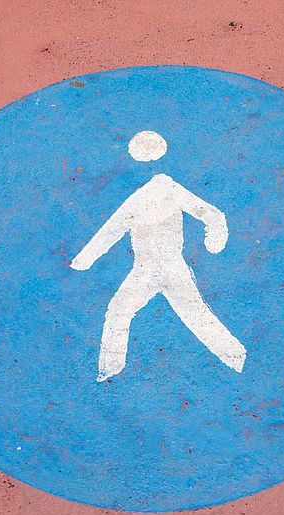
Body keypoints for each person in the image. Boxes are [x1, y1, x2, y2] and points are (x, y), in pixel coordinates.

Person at [71, 131, 247, 381]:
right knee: (121, 311)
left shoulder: (167, 189)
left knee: (192, 314)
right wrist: (83, 260)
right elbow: (111, 230)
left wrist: (214, 242)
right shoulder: (140, 197)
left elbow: (212, 215)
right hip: (144, 270)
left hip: (169, 267)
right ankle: (109, 368)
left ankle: (235, 356)